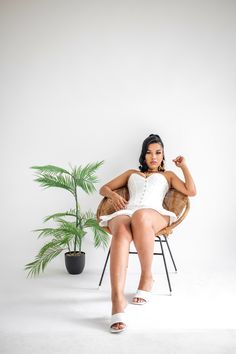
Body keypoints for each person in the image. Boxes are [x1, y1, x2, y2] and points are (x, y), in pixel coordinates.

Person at [98, 134, 196, 333]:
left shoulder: (168, 175)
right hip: (128, 211)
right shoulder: (131, 173)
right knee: (121, 228)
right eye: (149, 153)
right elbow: (103, 188)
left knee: (141, 216)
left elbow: (190, 191)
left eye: (158, 153)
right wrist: (113, 195)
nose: (153, 157)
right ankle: (117, 301)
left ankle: (147, 277)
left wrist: (183, 166)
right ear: (143, 156)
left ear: (163, 155)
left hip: (154, 214)